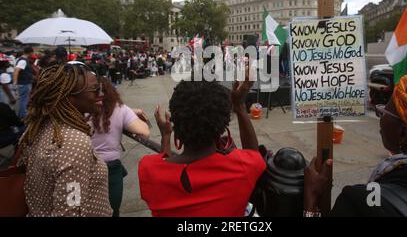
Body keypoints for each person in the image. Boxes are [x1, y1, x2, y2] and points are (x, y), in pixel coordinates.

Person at [304, 75, 407, 217]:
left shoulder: (361, 203)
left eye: (384, 112)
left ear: (404, 134)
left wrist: (311, 202)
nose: (381, 114)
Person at [138, 78, 266, 217]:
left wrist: (166, 137)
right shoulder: (242, 168)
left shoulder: (147, 169)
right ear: (222, 125)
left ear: (176, 121)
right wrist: (239, 106)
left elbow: (162, 169)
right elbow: (254, 155)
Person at [20, 63, 112, 216]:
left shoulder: (39, 128)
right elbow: (70, 210)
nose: (101, 93)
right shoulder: (74, 143)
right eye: (95, 89)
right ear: (68, 96)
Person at [89, 77, 150, 217]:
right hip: (110, 168)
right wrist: (129, 112)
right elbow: (144, 132)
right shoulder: (120, 109)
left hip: (83, 165)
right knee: (112, 210)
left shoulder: (75, 110)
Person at [13, 46, 34, 119]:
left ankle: (21, 114)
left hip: (24, 83)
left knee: (23, 99)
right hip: (24, 84)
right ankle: (22, 115)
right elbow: (16, 71)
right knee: (23, 100)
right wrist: (15, 82)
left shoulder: (21, 59)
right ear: (30, 52)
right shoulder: (23, 61)